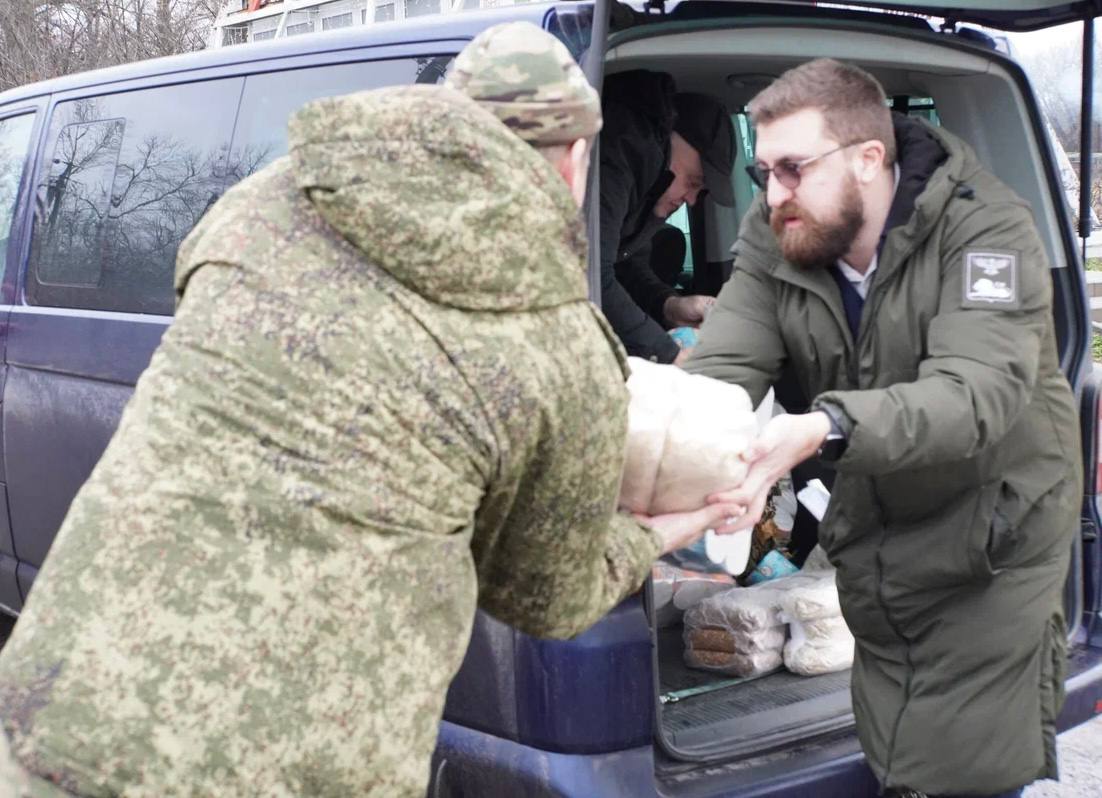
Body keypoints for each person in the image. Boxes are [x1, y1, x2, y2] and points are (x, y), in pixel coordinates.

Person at [0, 24, 739, 797]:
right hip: (296, 769)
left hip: (59, 719)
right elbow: (548, 596)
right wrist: (670, 528)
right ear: (578, 159)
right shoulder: (557, 342)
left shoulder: (258, 205)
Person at [689, 58, 1080, 798]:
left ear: (869, 160)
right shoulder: (781, 230)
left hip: (995, 533)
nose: (773, 194)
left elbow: (975, 395)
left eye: (793, 168)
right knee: (896, 747)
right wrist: (678, 455)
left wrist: (821, 428)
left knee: (964, 767)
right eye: (762, 169)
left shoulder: (986, 228)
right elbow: (721, 369)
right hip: (881, 529)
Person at [599, 69, 736, 363]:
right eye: (694, 181)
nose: (690, 199)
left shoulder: (646, 190)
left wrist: (670, 305)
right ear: (671, 140)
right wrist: (669, 354)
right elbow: (592, 273)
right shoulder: (623, 154)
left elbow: (625, 265)